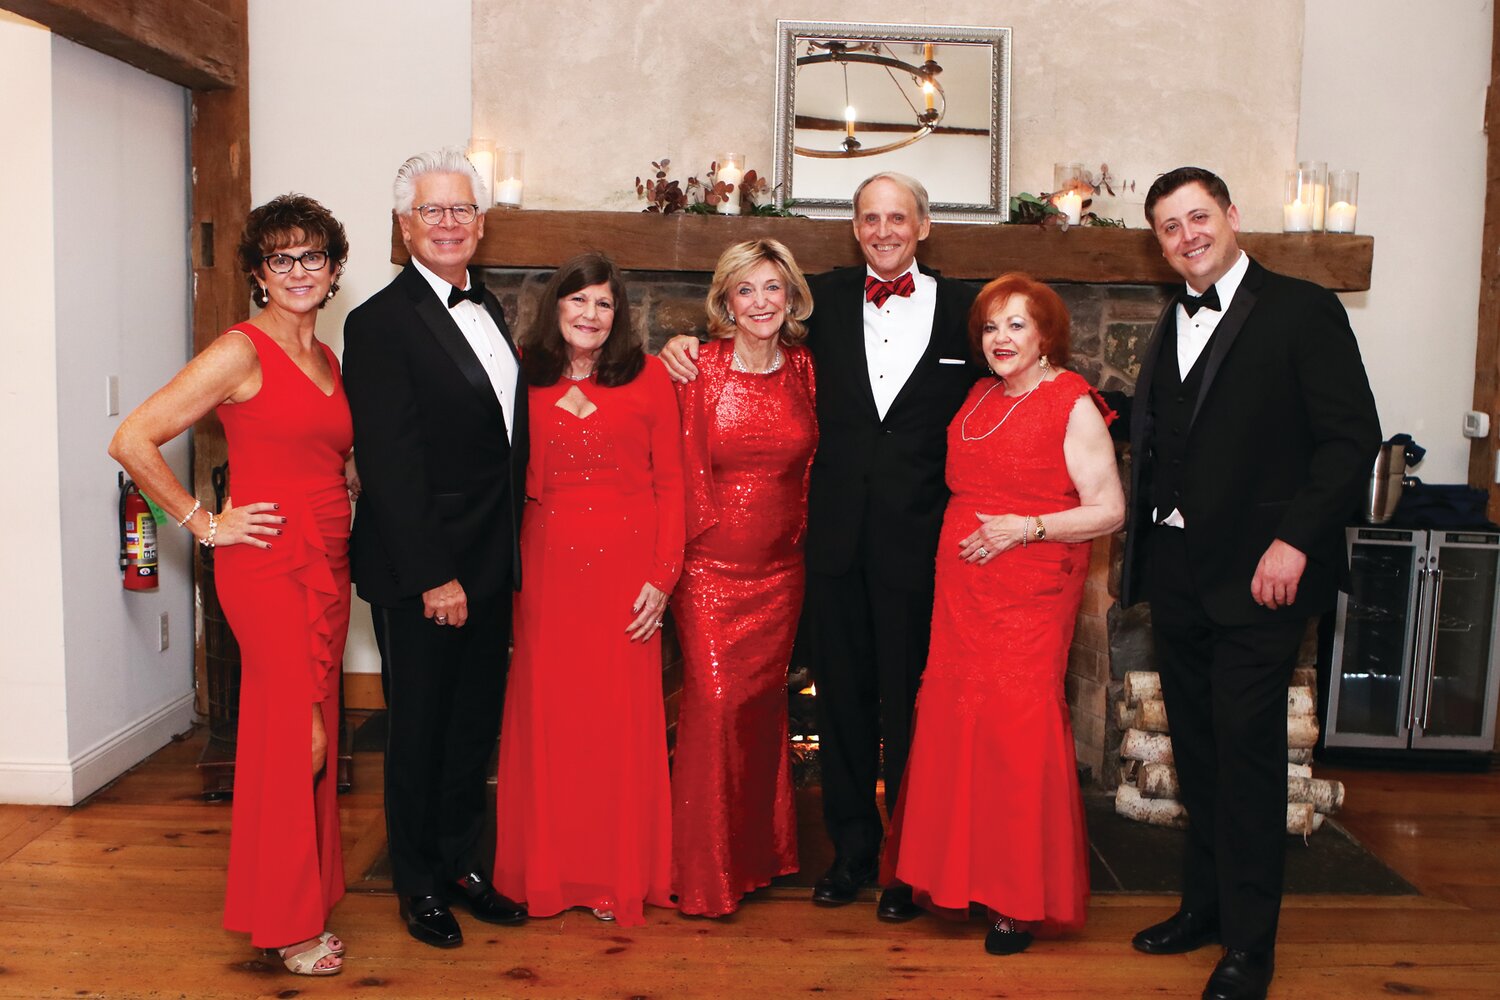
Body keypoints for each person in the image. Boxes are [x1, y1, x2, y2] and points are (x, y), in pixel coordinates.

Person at [660, 173, 982, 915]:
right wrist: (681, 344)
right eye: (869, 218)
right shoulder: (822, 305)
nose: (883, 230)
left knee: (910, 709)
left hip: (918, 547)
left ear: (924, 225)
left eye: (898, 217)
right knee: (840, 706)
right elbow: (738, 342)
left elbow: (1015, 370)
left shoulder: (970, 310)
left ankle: (909, 863)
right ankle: (853, 854)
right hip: (826, 550)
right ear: (854, 228)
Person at [1120, 167, 1380, 1000]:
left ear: (1232, 216)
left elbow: (1350, 443)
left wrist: (1294, 543)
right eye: (1169, 226)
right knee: (1197, 752)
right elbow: (1167, 433)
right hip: (1181, 576)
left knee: (1250, 757)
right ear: (1159, 244)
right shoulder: (1169, 323)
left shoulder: (1303, 310)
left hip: (1264, 578)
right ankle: (1204, 908)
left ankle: (1251, 945)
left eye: (1199, 216)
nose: (1187, 234)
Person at [109, 195, 355, 976]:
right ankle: (285, 925)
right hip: (269, 563)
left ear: (334, 268)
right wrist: (202, 521)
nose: (298, 271)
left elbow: (321, 449)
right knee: (297, 738)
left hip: (328, 561)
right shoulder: (240, 351)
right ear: (257, 273)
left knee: (313, 729)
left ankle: (293, 902)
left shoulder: (328, 359)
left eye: (311, 256)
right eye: (280, 258)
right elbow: (132, 437)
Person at [882, 273, 1124, 955]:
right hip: (963, 587)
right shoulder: (978, 395)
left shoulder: (1072, 401)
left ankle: (1016, 898)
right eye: (991, 326)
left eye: (1018, 325)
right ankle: (941, 874)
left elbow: (1109, 508)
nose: (1001, 338)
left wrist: (1026, 528)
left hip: (1032, 584)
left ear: (1047, 335)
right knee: (956, 719)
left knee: (1016, 727)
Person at [342, 148, 528, 949]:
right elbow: (391, 463)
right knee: (418, 730)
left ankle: (461, 864)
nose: (448, 223)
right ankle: (416, 883)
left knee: (470, 727)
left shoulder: (492, 309)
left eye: (461, 211)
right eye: (432, 211)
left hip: (490, 565)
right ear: (404, 225)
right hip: (427, 572)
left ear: (481, 225)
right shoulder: (378, 323)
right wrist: (434, 576)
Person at [493, 252, 684, 928]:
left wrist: (662, 579)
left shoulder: (650, 376)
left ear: (619, 315)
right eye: (578, 302)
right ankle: (543, 871)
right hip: (543, 567)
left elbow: (674, 484)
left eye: (603, 304)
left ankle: (612, 876)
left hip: (627, 573)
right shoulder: (523, 374)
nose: (590, 315)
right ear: (557, 310)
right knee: (548, 719)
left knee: (616, 724)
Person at [672, 239, 818, 917]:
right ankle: (704, 873)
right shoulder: (696, 367)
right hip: (706, 570)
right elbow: (664, 470)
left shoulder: (808, 370)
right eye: (746, 290)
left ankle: (757, 858)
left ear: (790, 296)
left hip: (781, 571)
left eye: (773, 288)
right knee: (715, 706)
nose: (761, 302)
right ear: (725, 299)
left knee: (762, 715)